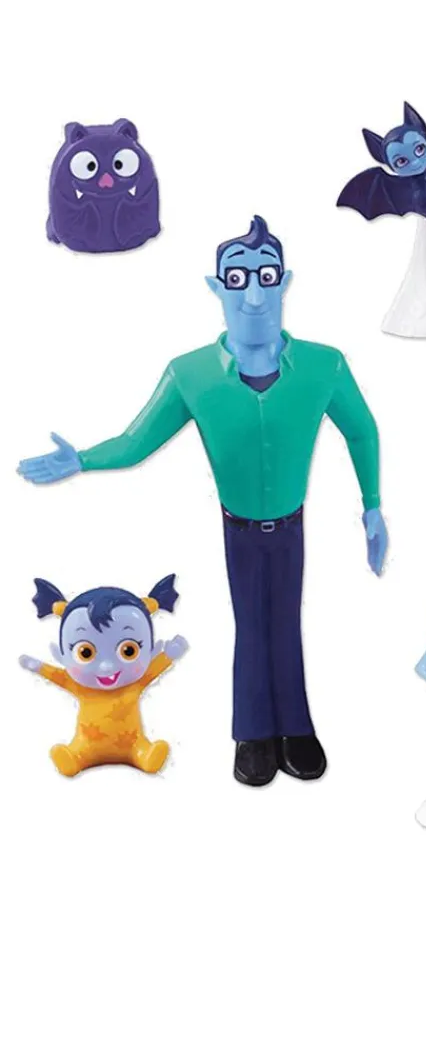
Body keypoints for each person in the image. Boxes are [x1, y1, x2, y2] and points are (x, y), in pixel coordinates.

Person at [17, 216, 388, 787]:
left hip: (291, 525)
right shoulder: (190, 374)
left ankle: (296, 728)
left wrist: (372, 506)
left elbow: (361, 430)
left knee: (286, 624)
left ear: (286, 281)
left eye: (266, 276)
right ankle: (253, 733)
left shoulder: (324, 365)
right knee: (252, 628)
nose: (254, 295)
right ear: (217, 288)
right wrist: (83, 459)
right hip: (238, 528)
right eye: (238, 279)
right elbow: (136, 442)